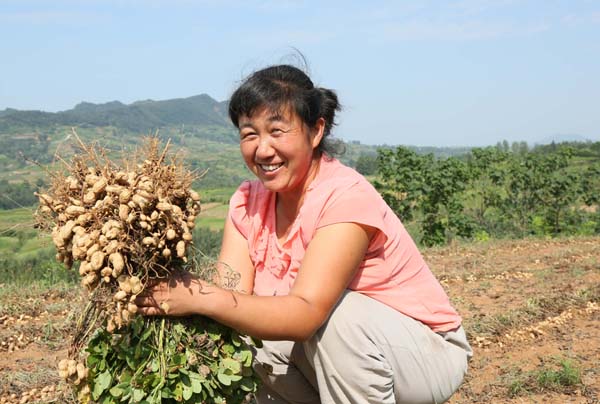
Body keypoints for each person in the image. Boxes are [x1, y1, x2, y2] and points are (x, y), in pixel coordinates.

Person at [136, 64, 472, 404]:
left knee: (338, 319)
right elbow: (231, 294)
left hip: (422, 353)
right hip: (334, 356)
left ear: (315, 131)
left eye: (277, 131)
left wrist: (200, 297)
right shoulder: (247, 201)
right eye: (249, 134)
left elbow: (306, 313)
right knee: (247, 340)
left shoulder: (345, 196)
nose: (263, 149)